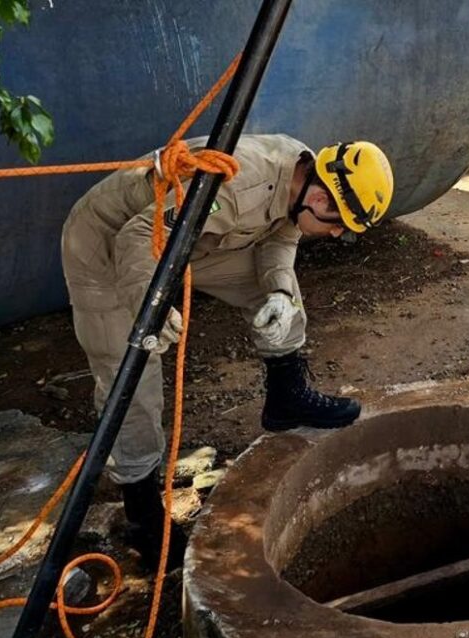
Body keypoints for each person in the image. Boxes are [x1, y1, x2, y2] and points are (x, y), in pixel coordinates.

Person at [60, 134, 394, 568]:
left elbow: (280, 236)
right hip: (108, 244)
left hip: (195, 237)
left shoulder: (300, 175)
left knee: (283, 299)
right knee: (131, 368)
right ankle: (142, 510)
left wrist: (275, 289)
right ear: (317, 193)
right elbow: (138, 237)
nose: (335, 232)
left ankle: (286, 398)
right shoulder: (239, 185)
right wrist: (153, 306)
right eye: (338, 223)